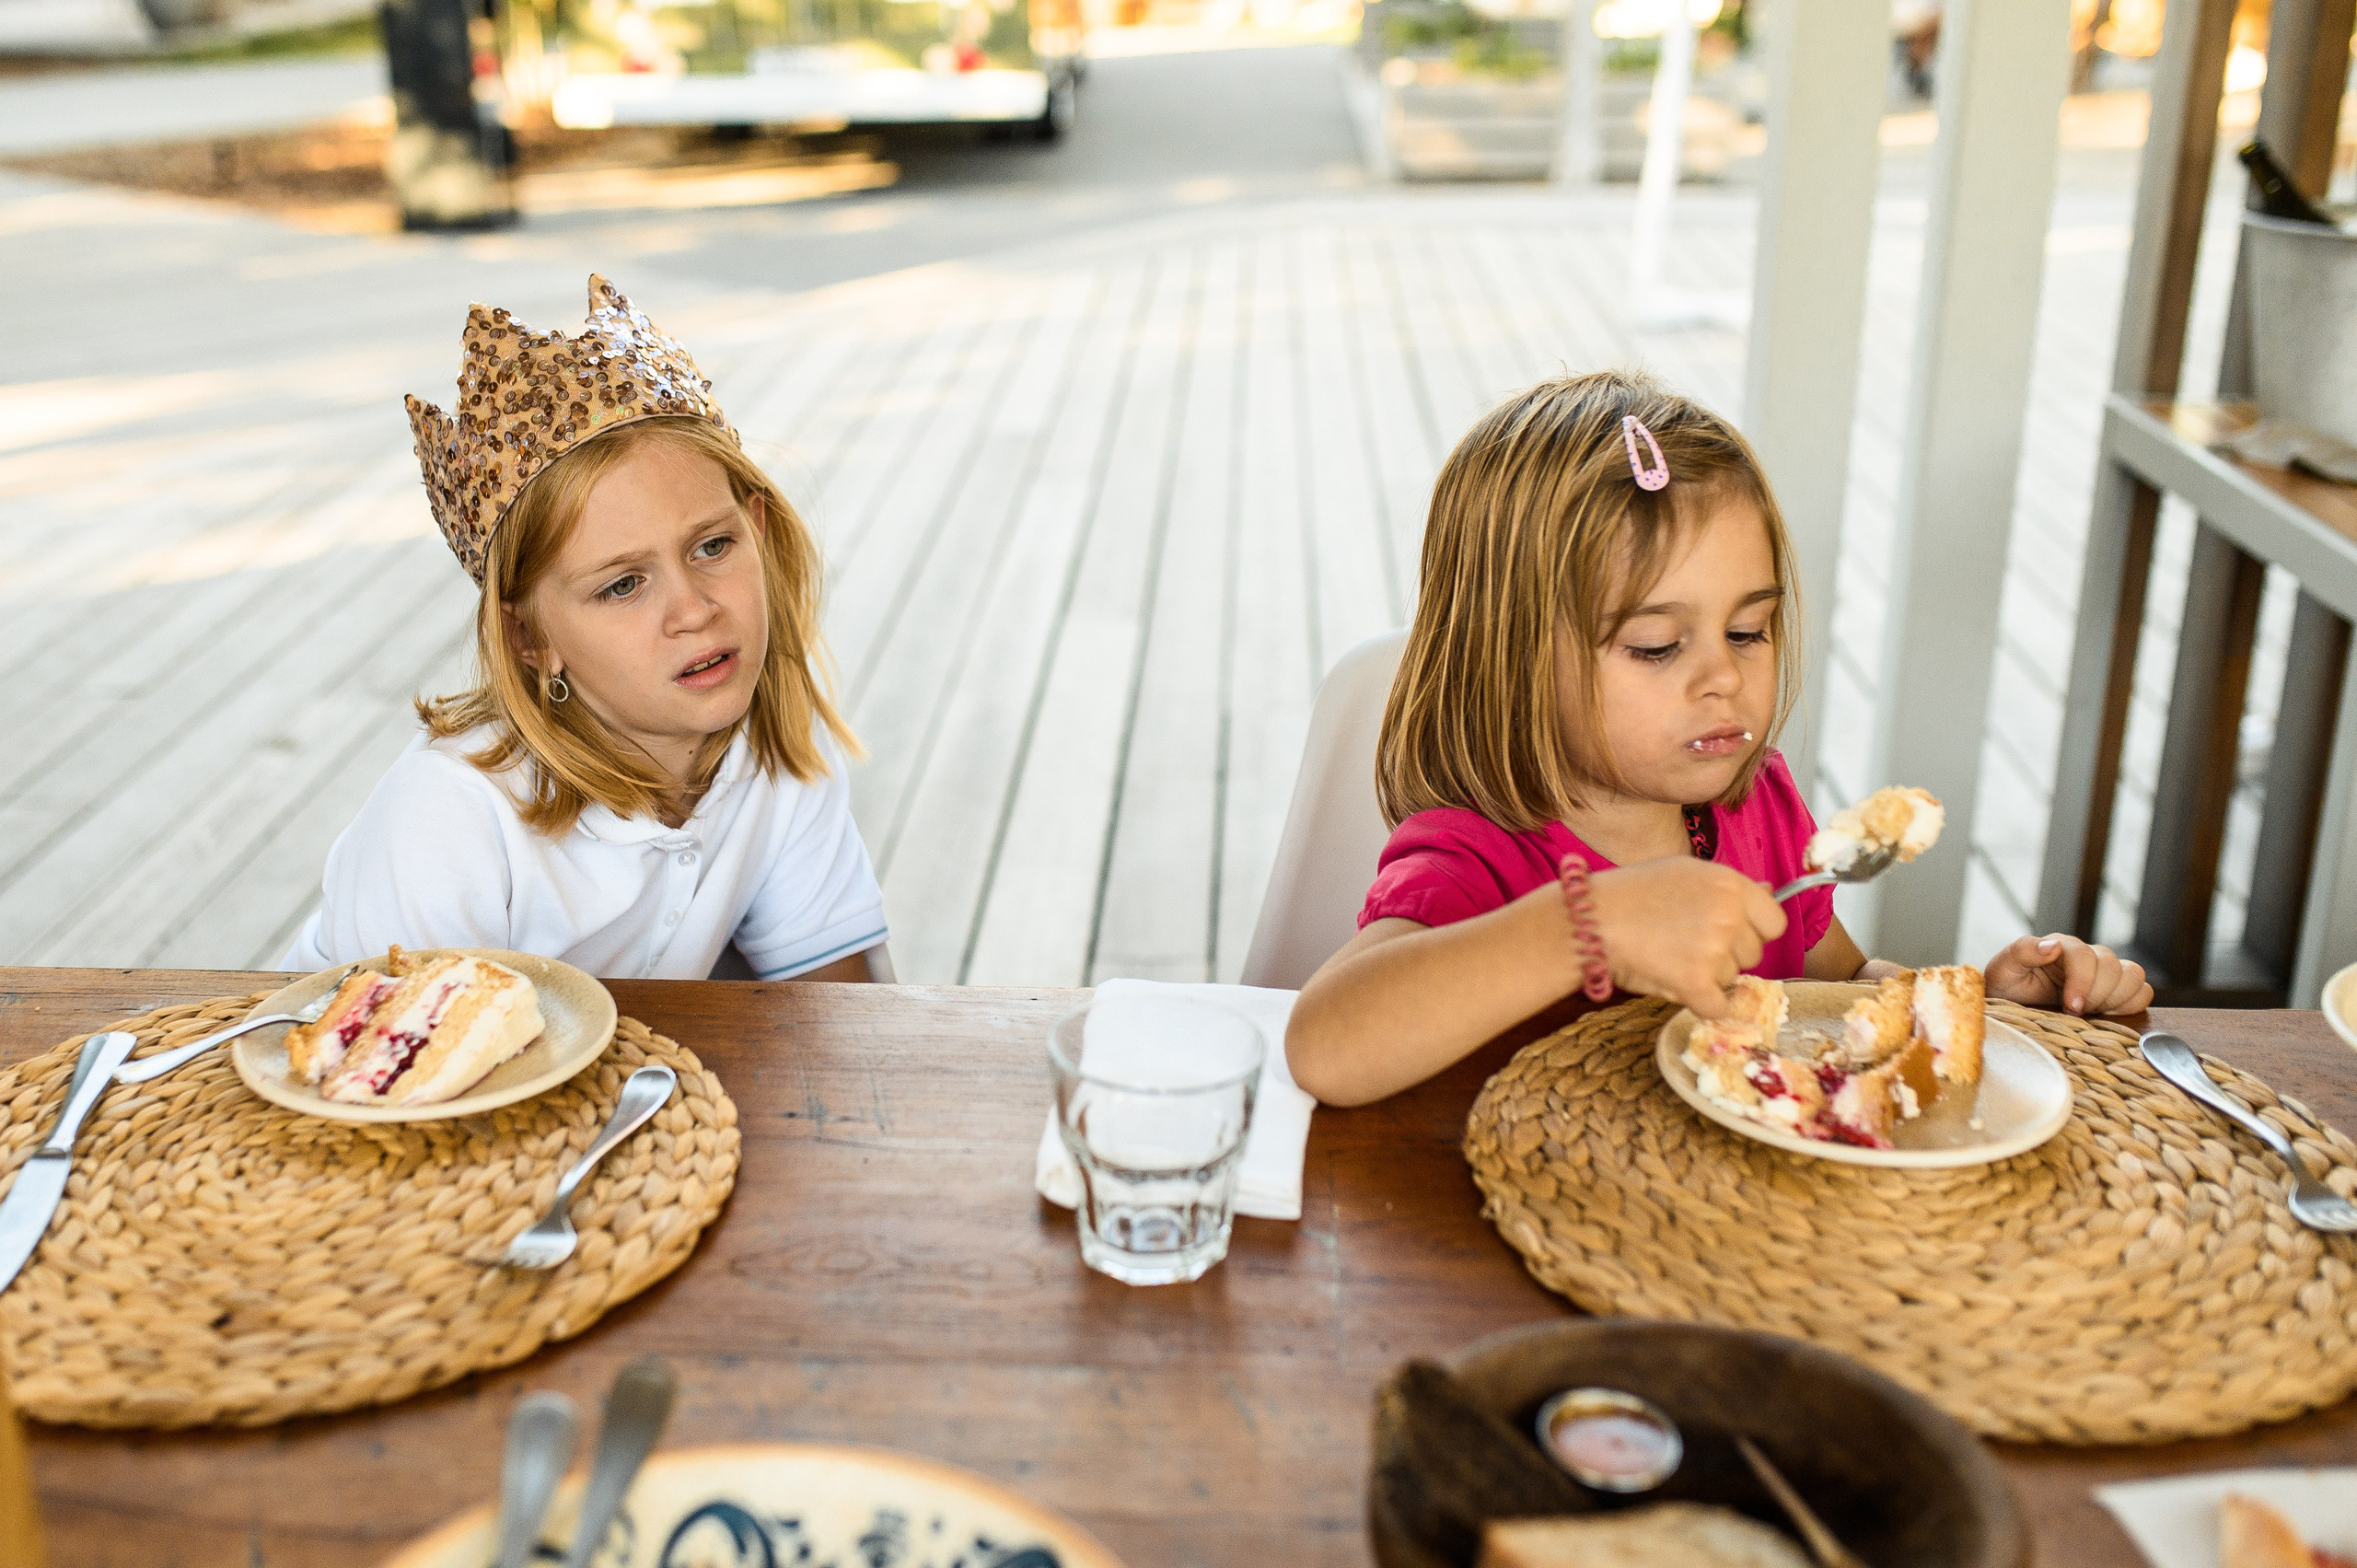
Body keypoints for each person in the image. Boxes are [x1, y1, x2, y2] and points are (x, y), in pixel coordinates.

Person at [1284, 371, 2149, 1106]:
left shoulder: (1758, 807)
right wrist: (1586, 928)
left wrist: (1983, 1008)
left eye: (1748, 632)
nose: (1723, 678)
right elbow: (1326, 1047)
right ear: (1509, 658)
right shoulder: (1476, 858)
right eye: (1657, 646)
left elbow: (1837, 987)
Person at [284, 275, 887, 981]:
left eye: (712, 546)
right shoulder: (450, 817)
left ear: (756, 527)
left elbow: (844, 1013)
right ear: (529, 639)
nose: (694, 610)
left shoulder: (779, 741)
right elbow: (399, 1043)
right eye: (623, 584)